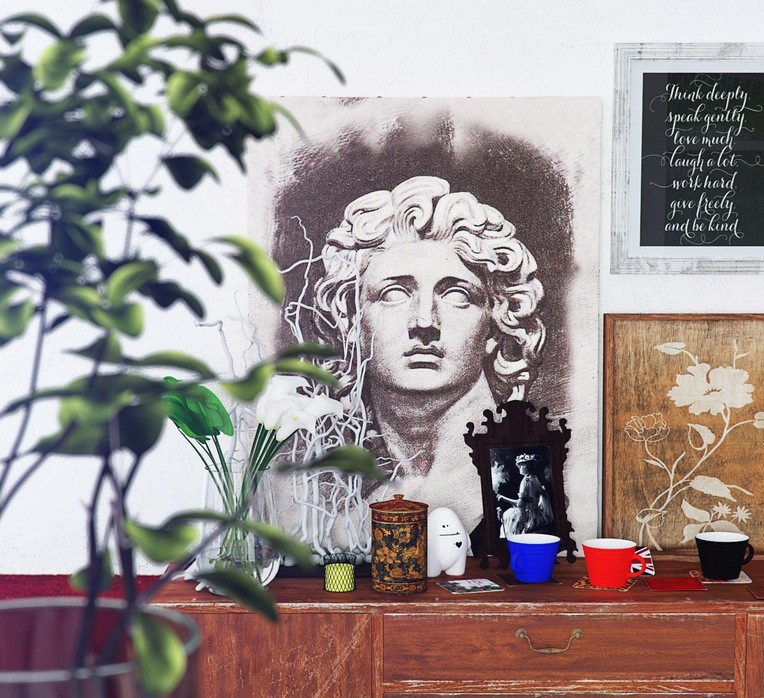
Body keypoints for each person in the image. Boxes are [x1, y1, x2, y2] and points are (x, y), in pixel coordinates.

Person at [312, 176, 546, 531]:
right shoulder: (353, 510)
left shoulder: (517, 481)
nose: (424, 321)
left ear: (495, 326)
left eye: (456, 296)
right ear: (352, 322)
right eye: (394, 294)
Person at [498, 453, 554, 536]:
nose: (519, 468)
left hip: (528, 517)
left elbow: (520, 504)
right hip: (537, 515)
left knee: (507, 517)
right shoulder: (535, 479)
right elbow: (542, 494)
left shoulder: (525, 481)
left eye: (521, 466)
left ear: (527, 466)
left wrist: (504, 498)